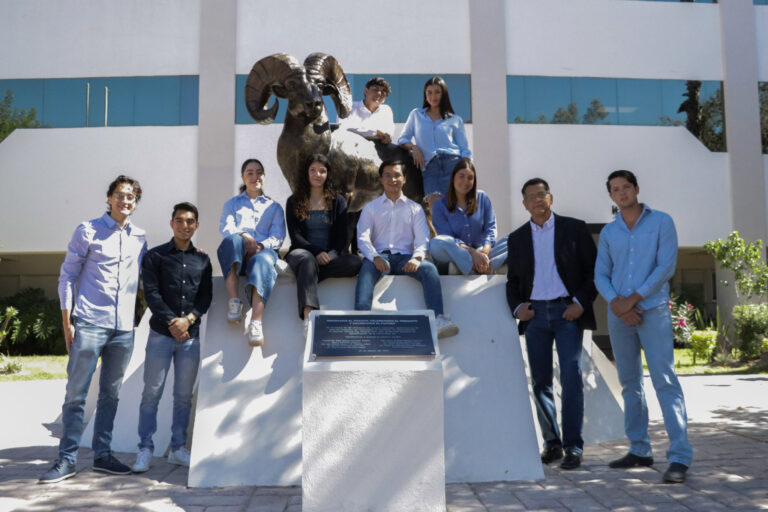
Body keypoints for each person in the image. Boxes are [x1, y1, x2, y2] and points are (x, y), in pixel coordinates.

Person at [39, 175, 147, 484]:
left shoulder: (140, 237)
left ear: (135, 202)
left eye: (131, 197)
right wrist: (67, 321)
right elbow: (67, 276)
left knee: (111, 394)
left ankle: (102, 456)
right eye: (120, 195)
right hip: (88, 322)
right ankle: (66, 459)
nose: (125, 200)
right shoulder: (88, 230)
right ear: (110, 198)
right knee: (76, 394)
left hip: (124, 328)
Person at [595, 170, 693, 484]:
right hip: (620, 316)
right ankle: (639, 448)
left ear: (637, 189)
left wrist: (632, 300)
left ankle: (679, 457)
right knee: (629, 383)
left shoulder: (662, 221)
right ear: (610, 196)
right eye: (615, 190)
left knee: (664, 379)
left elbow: (666, 267)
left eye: (626, 187)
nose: (621, 193)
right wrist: (619, 305)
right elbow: (601, 275)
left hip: (652, 311)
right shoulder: (610, 233)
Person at [506, 178, 597, 470]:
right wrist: (519, 308)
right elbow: (512, 282)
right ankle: (552, 444)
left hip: (566, 312)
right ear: (524, 204)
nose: (537, 200)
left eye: (541, 194)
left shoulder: (574, 228)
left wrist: (579, 303)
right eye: (531, 197)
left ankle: (573, 447)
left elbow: (593, 271)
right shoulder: (517, 238)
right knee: (541, 382)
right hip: (535, 318)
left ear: (551, 197)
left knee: (571, 378)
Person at [131, 202, 212, 473]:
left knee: (182, 396)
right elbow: (151, 294)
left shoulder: (203, 259)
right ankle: (145, 449)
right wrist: (172, 323)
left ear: (196, 225)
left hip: (190, 337)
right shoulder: (155, 257)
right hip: (160, 336)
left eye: (190, 221)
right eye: (179, 220)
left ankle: (178, 449)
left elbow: (205, 297)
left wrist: (187, 320)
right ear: (172, 223)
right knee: (151, 393)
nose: (184, 225)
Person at [354, 159, 459, 339]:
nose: (392, 179)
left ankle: (439, 319)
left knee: (429, 269)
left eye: (397, 175)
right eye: (387, 175)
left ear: (404, 179)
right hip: (381, 258)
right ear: (381, 179)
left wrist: (417, 258)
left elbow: (422, 239)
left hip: (405, 259)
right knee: (366, 270)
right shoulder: (371, 208)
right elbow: (362, 238)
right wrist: (374, 257)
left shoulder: (415, 209)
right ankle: (361, 321)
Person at [285, 154, 362, 335]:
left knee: (356, 262)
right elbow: (295, 237)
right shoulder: (293, 201)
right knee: (307, 261)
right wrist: (317, 253)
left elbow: (343, 236)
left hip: (330, 257)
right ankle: (309, 316)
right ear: (306, 173)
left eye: (322, 171)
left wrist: (331, 254)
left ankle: (308, 276)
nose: (317, 174)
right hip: (302, 252)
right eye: (313, 170)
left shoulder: (338, 201)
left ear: (328, 174)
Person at [218, 159, 286, 347]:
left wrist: (260, 246)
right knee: (232, 240)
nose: (255, 177)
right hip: (237, 254)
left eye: (259, 172)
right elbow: (227, 228)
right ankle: (234, 301)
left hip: (263, 253)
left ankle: (256, 321)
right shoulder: (231, 204)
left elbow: (278, 236)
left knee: (263, 261)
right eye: (250, 172)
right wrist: (245, 236)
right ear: (243, 177)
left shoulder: (275, 207)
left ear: (264, 176)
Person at [398, 76, 471, 205]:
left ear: (444, 94)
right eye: (429, 92)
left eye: (437, 92)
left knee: (456, 210)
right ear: (425, 95)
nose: (433, 96)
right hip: (430, 167)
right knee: (436, 212)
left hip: (453, 165)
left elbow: (464, 150)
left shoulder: (455, 119)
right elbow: (402, 139)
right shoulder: (416, 115)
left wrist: (466, 172)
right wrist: (414, 148)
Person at [429, 158, 507, 275]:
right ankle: (481, 267)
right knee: (436, 243)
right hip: (458, 252)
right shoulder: (440, 206)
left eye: (470, 178)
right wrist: (473, 254)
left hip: (483, 251)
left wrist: (483, 253)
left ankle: (477, 266)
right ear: (453, 177)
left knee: (515, 238)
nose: (466, 181)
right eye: (461, 176)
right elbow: (448, 239)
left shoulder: (482, 197)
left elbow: (490, 228)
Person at [338, 77, 395, 145]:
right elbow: (344, 128)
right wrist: (375, 133)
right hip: (352, 149)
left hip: (378, 151)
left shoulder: (386, 110)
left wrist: (388, 137)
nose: (379, 93)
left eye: (383, 92)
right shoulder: (349, 107)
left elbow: (389, 131)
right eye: (375, 89)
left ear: (385, 98)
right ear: (366, 91)